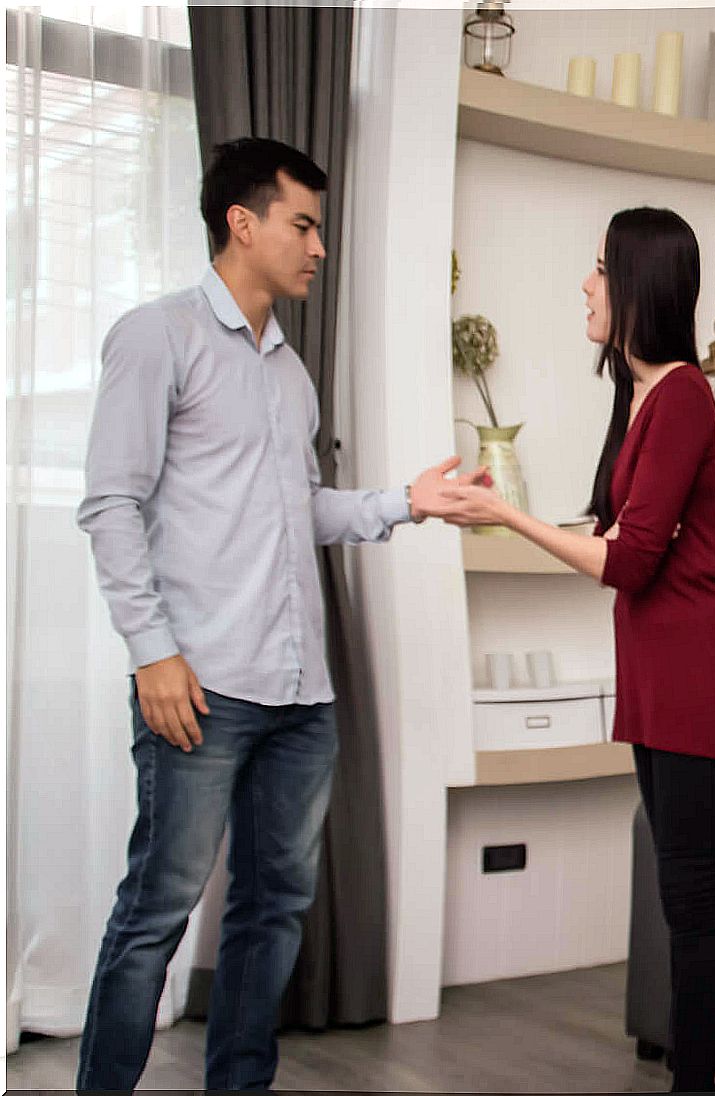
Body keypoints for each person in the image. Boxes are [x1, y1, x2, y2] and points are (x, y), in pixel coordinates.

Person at [75, 137, 477, 1091]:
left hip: (301, 696)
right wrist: (152, 652)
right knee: (157, 912)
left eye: (321, 229)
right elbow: (110, 504)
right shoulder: (156, 336)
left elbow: (303, 508)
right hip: (198, 685)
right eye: (304, 224)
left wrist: (403, 503)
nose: (318, 247)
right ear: (241, 223)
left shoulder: (289, 374)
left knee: (271, 912)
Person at [435, 206, 715, 1093]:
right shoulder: (644, 394)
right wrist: (508, 507)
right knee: (677, 892)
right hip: (661, 674)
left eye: (601, 270)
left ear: (640, 287)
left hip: (700, 674)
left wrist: (508, 513)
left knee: (693, 901)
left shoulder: (688, 396)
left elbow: (628, 561)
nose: (587, 285)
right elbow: (618, 528)